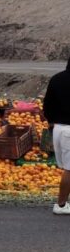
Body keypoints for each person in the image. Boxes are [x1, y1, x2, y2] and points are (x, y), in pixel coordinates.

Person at [43, 56, 70, 215]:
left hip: (58, 129)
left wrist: (52, 121)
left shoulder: (56, 79)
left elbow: (47, 106)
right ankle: (60, 205)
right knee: (69, 169)